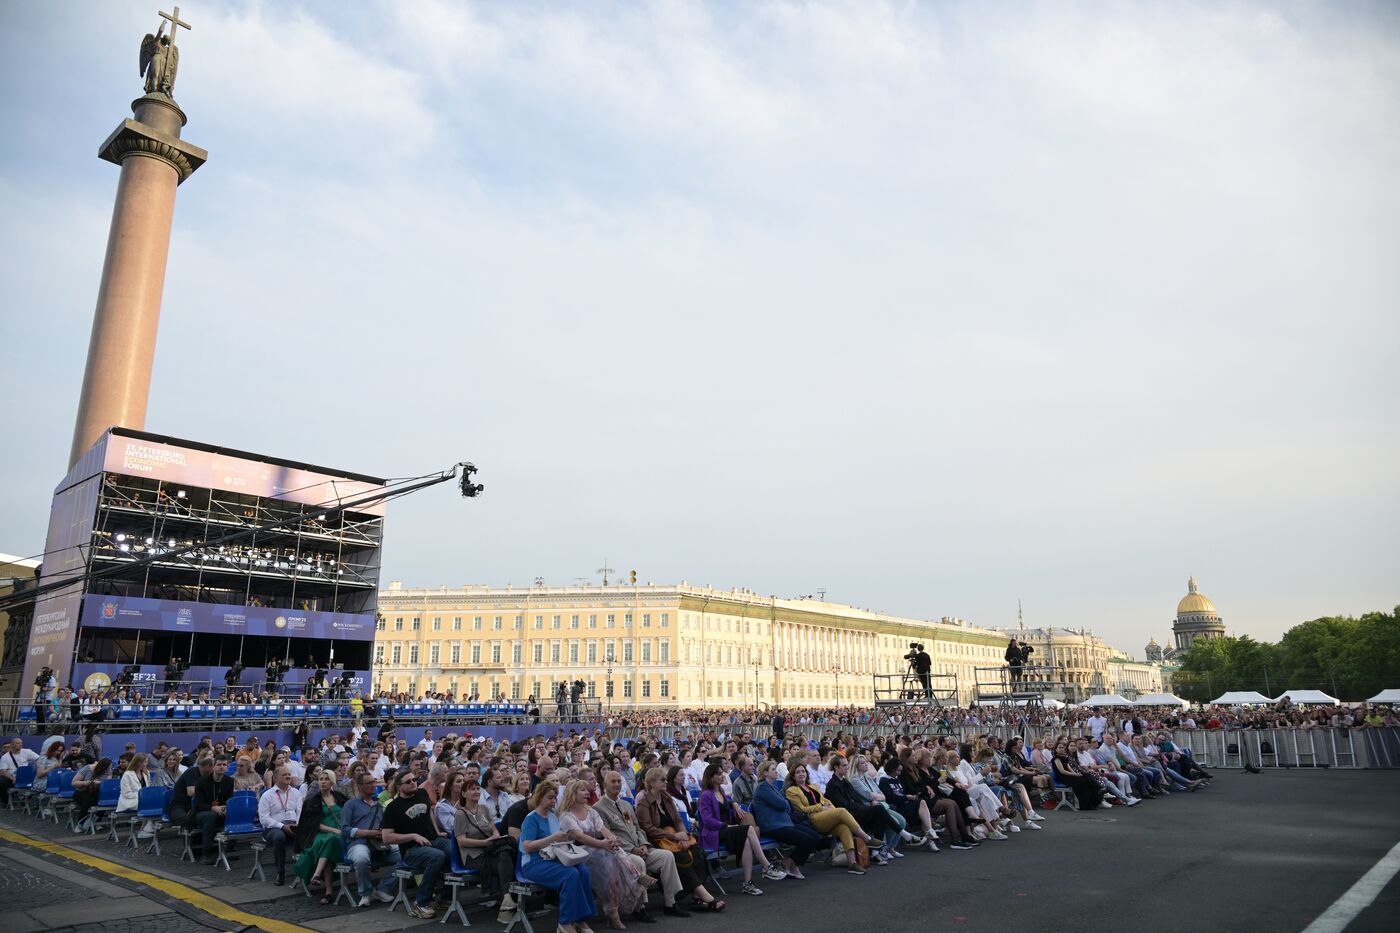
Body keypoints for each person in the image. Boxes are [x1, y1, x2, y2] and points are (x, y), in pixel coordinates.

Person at [595, 770, 682, 922]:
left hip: (640, 848)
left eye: (618, 781)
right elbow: (609, 836)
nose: (616, 784)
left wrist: (643, 844)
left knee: (667, 856)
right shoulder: (599, 808)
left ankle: (670, 903)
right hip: (621, 853)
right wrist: (632, 849)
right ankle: (639, 908)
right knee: (639, 862)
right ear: (604, 785)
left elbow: (638, 828)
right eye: (613, 782)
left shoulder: (626, 804)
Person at [559, 778, 646, 928]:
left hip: (596, 850)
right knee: (605, 856)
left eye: (587, 790)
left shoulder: (591, 812)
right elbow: (580, 837)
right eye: (583, 790)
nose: (587, 793)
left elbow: (604, 830)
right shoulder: (566, 816)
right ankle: (634, 876)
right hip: (578, 853)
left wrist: (612, 839)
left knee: (611, 854)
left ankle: (613, 910)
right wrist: (603, 844)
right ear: (572, 793)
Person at [635, 767, 725, 911]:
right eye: (662, 780)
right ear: (652, 783)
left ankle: (696, 898)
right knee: (681, 857)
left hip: (675, 839)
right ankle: (706, 897)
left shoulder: (666, 798)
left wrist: (683, 836)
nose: (666, 782)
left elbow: (677, 820)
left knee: (697, 851)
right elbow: (648, 829)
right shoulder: (643, 803)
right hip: (658, 841)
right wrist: (674, 836)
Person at [517, 779, 598, 933]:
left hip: (552, 859)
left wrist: (565, 838)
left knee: (583, 871)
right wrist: (553, 838)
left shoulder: (553, 816)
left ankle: (581, 919)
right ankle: (565, 922)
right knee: (570, 875)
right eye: (550, 797)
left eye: (555, 797)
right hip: (533, 863)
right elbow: (527, 847)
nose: (553, 801)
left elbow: (556, 842)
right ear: (539, 797)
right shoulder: (531, 819)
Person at [697, 761, 785, 894]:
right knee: (749, 829)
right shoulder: (705, 795)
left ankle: (747, 883)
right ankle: (767, 866)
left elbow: (730, 808)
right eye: (719, 774)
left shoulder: (722, 793)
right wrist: (726, 825)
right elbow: (707, 820)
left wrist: (734, 805)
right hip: (715, 832)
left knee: (747, 842)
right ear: (711, 777)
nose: (723, 776)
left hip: (728, 829)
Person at [378, 769, 449, 919]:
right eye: (408, 782)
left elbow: (429, 812)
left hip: (433, 840)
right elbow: (386, 837)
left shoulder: (422, 793)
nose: (413, 783)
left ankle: (444, 897)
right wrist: (413, 836)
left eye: (414, 780)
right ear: (398, 786)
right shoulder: (393, 807)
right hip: (411, 850)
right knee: (437, 856)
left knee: (453, 849)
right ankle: (420, 903)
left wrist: (437, 832)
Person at [783, 759, 873, 874]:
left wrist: (830, 808)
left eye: (803, 771)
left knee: (844, 827)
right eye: (798, 772)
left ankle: (852, 863)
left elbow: (826, 800)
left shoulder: (813, 787)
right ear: (793, 777)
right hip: (812, 819)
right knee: (841, 811)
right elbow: (802, 809)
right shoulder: (792, 791)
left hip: (825, 816)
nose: (801, 774)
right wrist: (821, 807)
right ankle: (866, 838)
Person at [454, 777, 519, 924]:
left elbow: (493, 829)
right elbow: (461, 840)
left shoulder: (483, 809)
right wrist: (483, 842)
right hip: (472, 856)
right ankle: (507, 900)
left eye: (478, 788)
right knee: (505, 860)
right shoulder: (460, 814)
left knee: (506, 853)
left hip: (489, 851)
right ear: (464, 794)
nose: (476, 791)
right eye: (472, 789)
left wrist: (496, 836)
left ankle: (506, 900)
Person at [751, 759, 820, 878]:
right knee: (807, 840)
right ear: (765, 773)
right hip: (773, 826)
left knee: (815, 836)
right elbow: (783, 804)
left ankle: (789, 861)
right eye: (773, 769)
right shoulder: (763, 788)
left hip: (784, 823)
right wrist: (785, 804)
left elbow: (787, 805)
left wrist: (785, 804)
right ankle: (793, 864)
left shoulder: (772, 787)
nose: (776, 771)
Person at [341, 772, 393, 908]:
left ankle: (382, 889)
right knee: (361, 858)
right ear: (360, 786)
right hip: (359, 843)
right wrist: (367, 833)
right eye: (369, 783)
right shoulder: (350, 804)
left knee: (407, 856)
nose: (373, 785)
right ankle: (365, 893)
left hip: (380, 843)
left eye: (374, 782)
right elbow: (345, 829)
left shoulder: (379, 805)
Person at [294, 770, 346, 904]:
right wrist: (334, 830)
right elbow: (314, 824)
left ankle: (320, 880)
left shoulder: (340, 797)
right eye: (321, 779)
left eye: (326, 779)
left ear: (332, 781)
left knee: (330, 843)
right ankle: (326, 888)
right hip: (320, 834)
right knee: (329, 840)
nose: (323, 782)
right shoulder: (312, 801)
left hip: (340, 834)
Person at [257, 766, 300, 885]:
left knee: (309, 834)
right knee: (279, 837)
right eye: (284, 775)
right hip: (273, 828)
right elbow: (264, 819)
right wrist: (282, 826)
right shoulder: (267, 795)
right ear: (275, 778)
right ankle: (280, 872)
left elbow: (300, 812)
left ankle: (307, 870)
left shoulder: (296, 793)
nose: (288, 776)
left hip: (293, 824)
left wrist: (296, 824)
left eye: (288, 774)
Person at [193, 754, 236, 864]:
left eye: (224, 765)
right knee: (210, 816)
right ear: (213, 767)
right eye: (219, 764)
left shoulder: (229, 781)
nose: (222, 767)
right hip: (202, 812)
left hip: (221, 810)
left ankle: (230, 849)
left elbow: (229, 799)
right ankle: (206, 853)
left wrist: (226, 808)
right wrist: (213, 808)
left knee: (233, 812)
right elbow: (198, 804)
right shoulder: (202, 781)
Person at [1052, 740, 1106, 811]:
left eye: (1062, 747)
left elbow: (1069, 768)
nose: (1062, 749)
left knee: (1085, 778)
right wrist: (1074, 774)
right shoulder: (1056, 758)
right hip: (1063, 777)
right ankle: (1085, 804)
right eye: (1059, 748)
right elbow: (1062, 771)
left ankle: (1092, 802)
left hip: (1069, 775)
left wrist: (1076, 774)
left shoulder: (1065, 758)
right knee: (1081, 782)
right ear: (1056, 749)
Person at [118, 753, 157, 839]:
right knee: (148, 804)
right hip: (129, 800)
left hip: (142, 800)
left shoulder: (146, 773)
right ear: (139, 763)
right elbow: (126, 793)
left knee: (154, 803)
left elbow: (148, 788)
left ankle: (147, 827)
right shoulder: (127, 774)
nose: (147, 764)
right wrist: (142, 797)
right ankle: (146, 827)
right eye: (145, 762)